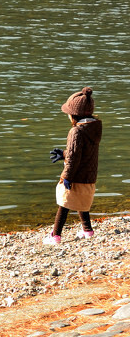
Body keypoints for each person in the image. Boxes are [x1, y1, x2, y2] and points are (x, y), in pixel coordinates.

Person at [44, 86, 103, 245]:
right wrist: (64, 153)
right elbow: (81, 153)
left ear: (74, 114)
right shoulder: (94, 128)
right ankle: (87, 230)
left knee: (64, 203)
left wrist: (66, 176)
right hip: (89, 176)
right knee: (82, 201)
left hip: (75, 175)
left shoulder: (75, 131)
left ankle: (55, 235)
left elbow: (74, 157)